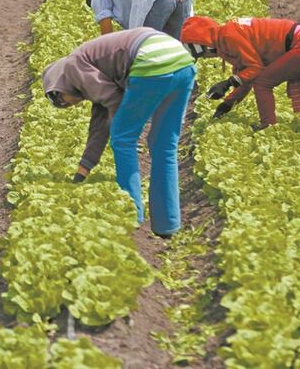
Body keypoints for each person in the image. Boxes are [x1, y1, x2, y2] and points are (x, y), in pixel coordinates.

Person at [42, 28, 196, 237]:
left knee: (123, 140)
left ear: (58, 88)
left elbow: (114, 101)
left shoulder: (73, 65)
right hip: (181, 62)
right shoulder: (92, 72)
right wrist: (82, 172)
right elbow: (99, 126)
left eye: (62, 102)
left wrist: (125, 129)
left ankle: (131, 215)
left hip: (151, 62)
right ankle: (167, 225)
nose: (69, 105)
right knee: (164, 145)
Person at [181, 16, 300, 165]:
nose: (207, 58)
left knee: (263, 83)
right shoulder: (226, 36)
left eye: (202, 55)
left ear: (203, 45)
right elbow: (247, 77)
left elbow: (255, 70)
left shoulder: (228, 36)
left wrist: (227, 83)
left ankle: (268, 129)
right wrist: (226, 104)